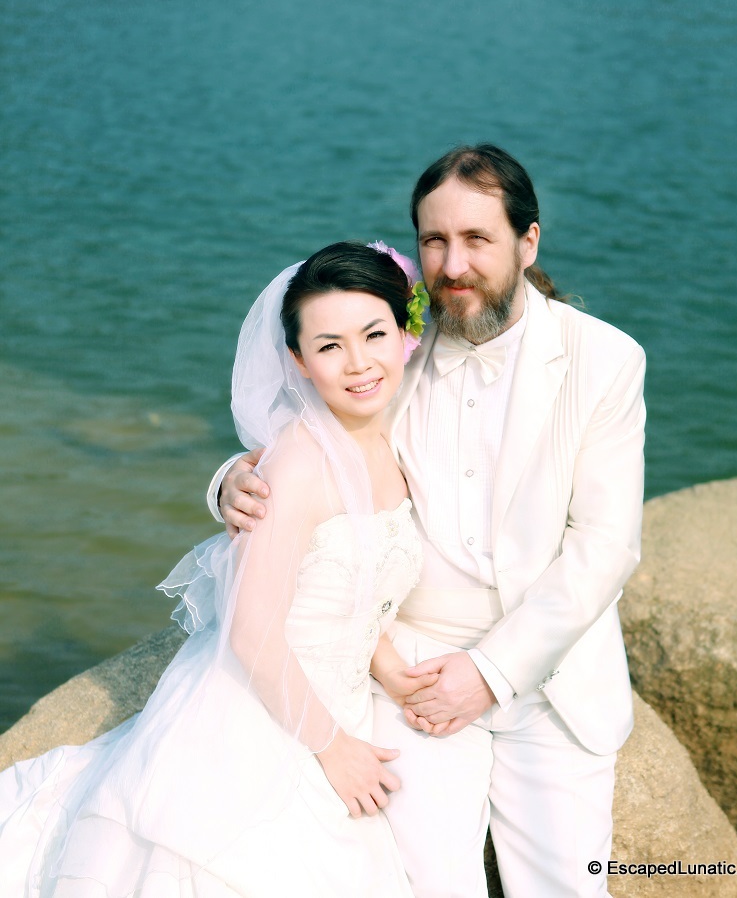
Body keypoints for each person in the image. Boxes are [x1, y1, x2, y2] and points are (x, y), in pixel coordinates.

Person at [214, 145, 647, 898]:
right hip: (406, 669)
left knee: (566, 886)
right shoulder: (393, 339)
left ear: (528, 241)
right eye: (434, 241)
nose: (453, 265)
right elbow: (301, 433)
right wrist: (227, 482)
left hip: (551, 674)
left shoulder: (606, 360)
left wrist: (490, 672)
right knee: (429, 881)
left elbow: (606, 547)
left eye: (478, 239)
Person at [0, 241, 436, 897]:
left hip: (340, 698)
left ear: (404, 333)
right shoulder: (297, 464)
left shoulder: (391, 444)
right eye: (329, 346)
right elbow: (252, 632)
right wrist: (333, 748)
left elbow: (347, 586)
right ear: (298, 361)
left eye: (373, 334)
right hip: (262, 712)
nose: (358, 363)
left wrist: (392, 669)